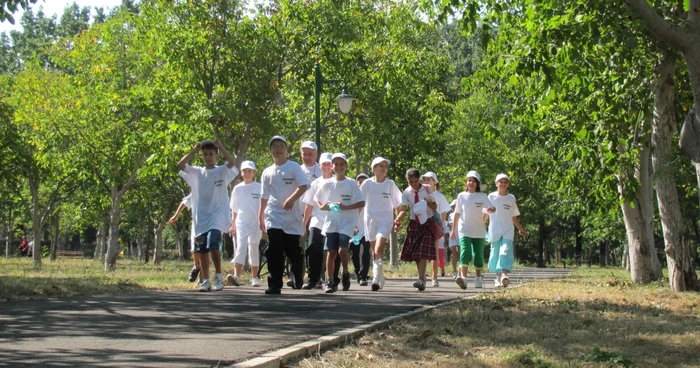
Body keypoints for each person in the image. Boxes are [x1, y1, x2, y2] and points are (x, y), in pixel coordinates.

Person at [177, 139, 239, 292]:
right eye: (205, 154)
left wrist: (222, 146)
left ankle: (218, 276)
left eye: (211, 154)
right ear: (202, 156)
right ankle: (205, 280)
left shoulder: (221, 171)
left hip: (217, 215)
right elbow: (180, 165)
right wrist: (193, 150)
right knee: (202, 249)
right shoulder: (197, 172)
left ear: (216, 155)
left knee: (213, 244)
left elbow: (232, 162)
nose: (208, 157)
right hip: (201, 217)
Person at [259, 135, 309, 294]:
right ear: (270, 151)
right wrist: (261, 216)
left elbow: (303, 186)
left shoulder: (294, 167)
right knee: (274, 249)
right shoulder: (267, 172)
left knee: (292, 250)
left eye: (281, 146)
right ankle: (275, 284)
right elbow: (264, 196)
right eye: (275, 146)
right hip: (273, 216)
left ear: (287, 150)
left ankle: (298, 272)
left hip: (291, 218)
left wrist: (291, 199)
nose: (278, 149)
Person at [314, 153, 365, 293]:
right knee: (331, 251)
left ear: (346, 166)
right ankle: (330, 281)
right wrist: (322, 206)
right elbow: (317, 198)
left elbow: (362, 202)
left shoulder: (351, 183)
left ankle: (345, 273)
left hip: (347, 222)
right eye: (336, 164)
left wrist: (346, 207)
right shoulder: (327, 183)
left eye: (342, 164)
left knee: (342, 250)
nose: (339, 167)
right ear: (332, 166)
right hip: (331, 222)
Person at [359, 157, 402, 291]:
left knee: (378, 248)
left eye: (385, 166)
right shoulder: (366, 184)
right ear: (374, 168)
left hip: (385, 220)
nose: (384, 169)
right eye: (381, 166)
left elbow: (398, 204)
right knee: (374, 251)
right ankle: (380, 277)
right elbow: (360, 203)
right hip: (370, 220)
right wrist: (355, 222)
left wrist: (398, 220)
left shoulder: (390, 184)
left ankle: (376, 278)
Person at [450, 170, 496, 290]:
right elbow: (457, 213)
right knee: (465, 252)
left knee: (478, 256)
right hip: (464, 228)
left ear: (477, 184)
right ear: (466, 182)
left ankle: (478, 278)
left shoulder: (482, 196)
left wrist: (491, 209)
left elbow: (491, 207)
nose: (471, 183)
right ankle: (463, 278)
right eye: (469, 180)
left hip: (479, 230)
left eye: (473, 181)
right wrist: (453, 230)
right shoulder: (461, 196)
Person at [395, 168, 438, 291]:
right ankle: (422, 279)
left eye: (415, 181)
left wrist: (428, 202)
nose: (413, 184)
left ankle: (421, 279)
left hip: (427, 222)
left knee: (422, 252)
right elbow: (403, 209)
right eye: (410, 182)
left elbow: (435, 207)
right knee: (416, 254)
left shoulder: (427, 188)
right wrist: (398, 219)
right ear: (407, 181)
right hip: (414, 223)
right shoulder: (406, 193)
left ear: (419, 179)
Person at [301, 152, 337, 290]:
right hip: (317, 221)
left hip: (333, 221)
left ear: (332, 166)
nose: (327, 167)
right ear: (319, 166)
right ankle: (312, 279)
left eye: (329, 164)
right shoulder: (315, 183)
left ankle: (331, 280)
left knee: (331, 252)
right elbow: (309, 205)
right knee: (313, 248)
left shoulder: (337, 181)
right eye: (324, 164)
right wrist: (304, 224)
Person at [486, 173, 527, 288]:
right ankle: (497, 278)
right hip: (494, 229)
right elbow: (485, 214)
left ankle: (505, 275)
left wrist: (520, 229)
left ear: (508, 184)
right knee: (495, 253)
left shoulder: (511, 198)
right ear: (496, 183)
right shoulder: (491, 197)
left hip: (508, 229)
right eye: (501, 182)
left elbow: (513, 216)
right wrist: (480, 227)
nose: (503, 184)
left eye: (505, 182)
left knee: (506, 251)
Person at [227, 160, 263, 287]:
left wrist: (262, 221)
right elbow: (234, 208)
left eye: (249, 171)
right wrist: (233, 224)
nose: (247, 173)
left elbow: (263, 206)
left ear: (254, 173)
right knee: (241, 246)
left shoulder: (259, 187)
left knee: (253, 246)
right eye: (244, 171)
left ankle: (254, 277)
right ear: (241, 173)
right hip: (241, 221)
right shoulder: (238, 188)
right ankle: (236, 276)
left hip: (256, 222)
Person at [292, 140, 321, 288]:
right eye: (304, 154)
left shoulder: (322, 170)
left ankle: (315, 276)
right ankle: (296, 275)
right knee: (296, 246)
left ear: (316, 154)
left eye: (310, 154)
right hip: (297, 213)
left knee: (314, 246)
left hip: (316, 214)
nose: (307, 157)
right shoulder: (296, 169)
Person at [421, 172, 451, 287]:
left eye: (429, 179)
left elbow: (443, 212)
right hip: (422, 224)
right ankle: (422, 277)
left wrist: (440, 226)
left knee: (434, 251)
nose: (426, 181)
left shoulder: (439, 196)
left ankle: (434, 277)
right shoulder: (420, 194)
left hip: (434, 225)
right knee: (422, 251)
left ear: (435, 182)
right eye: (424, 179)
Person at [168, 193, 201, 283]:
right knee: (195, 249)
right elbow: (184, 203)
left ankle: (203, 277)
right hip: (197, 224)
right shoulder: (196, 189)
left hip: (211, 223)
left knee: (206, 251)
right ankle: (197, 266)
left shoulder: (214, 189)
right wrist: (175, 216)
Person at [350, 173, 372, 286]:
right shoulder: (352, 195)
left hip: (366, 228)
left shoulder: (371, 195)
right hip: (354, 229)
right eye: (360, 182)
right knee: (355, 251)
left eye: (364, 182)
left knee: (364, 251)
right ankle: (358, 272)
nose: (362, 184)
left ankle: (363, 276)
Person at [446, 200, 460, 278]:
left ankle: (461, 270)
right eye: (452, 206)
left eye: (454, 206)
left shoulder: (462, 213)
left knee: (461, 253)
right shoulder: (450, 215)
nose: (452, 207)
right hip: (453, 235)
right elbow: (449, 226)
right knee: (454, 253)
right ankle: (454, 271)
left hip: (461, 235)